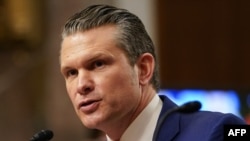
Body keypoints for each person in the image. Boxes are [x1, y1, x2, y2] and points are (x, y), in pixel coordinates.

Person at [59, 4, 246, 141]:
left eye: (98, 64)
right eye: (71, 73)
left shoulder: (219, 131)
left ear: (143, 69)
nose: (82, 85)